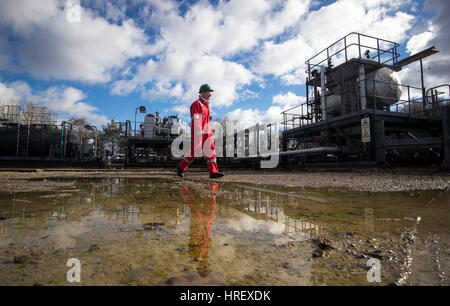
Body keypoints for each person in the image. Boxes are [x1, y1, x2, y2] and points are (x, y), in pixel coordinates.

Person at [177, 84, 224, 178]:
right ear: (202, 92)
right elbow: (196, 119)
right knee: (196, 150)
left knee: (210, 150)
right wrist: (199, 131)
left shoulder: (206, 105)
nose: (210, 94)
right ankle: (180, 167)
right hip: (199, 131)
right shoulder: (197, 104)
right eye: (208, 92)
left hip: (207, 131)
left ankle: (213, 172)